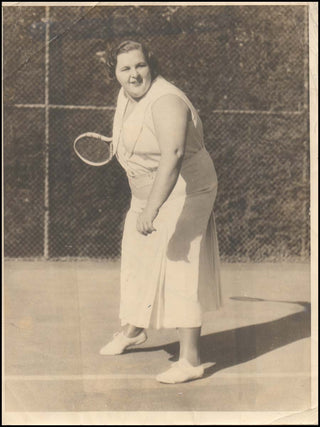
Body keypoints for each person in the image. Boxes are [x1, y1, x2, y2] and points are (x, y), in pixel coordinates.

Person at [99, 40, 222, 384]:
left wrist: (151, 208)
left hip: (187, 191)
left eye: (140, 65)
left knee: (178, 263)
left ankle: (190, 361)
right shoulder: (127, 95)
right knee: (138, 259)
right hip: (147, 191)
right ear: (115, 74)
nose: (134, 74)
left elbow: (174, 154)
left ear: (150, 64)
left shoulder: (166, 100)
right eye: (125, 68)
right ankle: (133, 330)